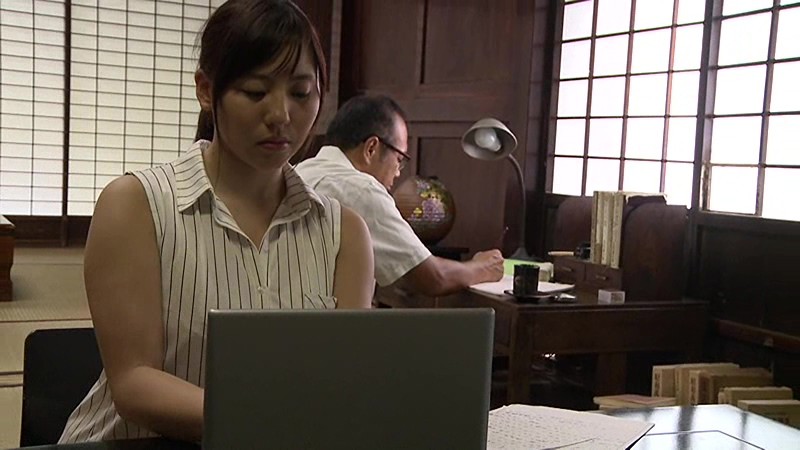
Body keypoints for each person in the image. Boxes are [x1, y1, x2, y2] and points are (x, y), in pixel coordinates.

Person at [59, 0, 374, 443]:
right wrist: (271, 421)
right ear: (207, 91)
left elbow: (344, 377)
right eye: (256, 92)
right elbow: (133, 381)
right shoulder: (135, 205)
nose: (281, 115)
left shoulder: (345, 235)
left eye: (301, 93)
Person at [295, 95, 504, 296]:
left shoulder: (298, 172)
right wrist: (482, 267)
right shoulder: (361, 190)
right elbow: (434, 278)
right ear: (371, 148)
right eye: (399, 159)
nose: (398, 172)